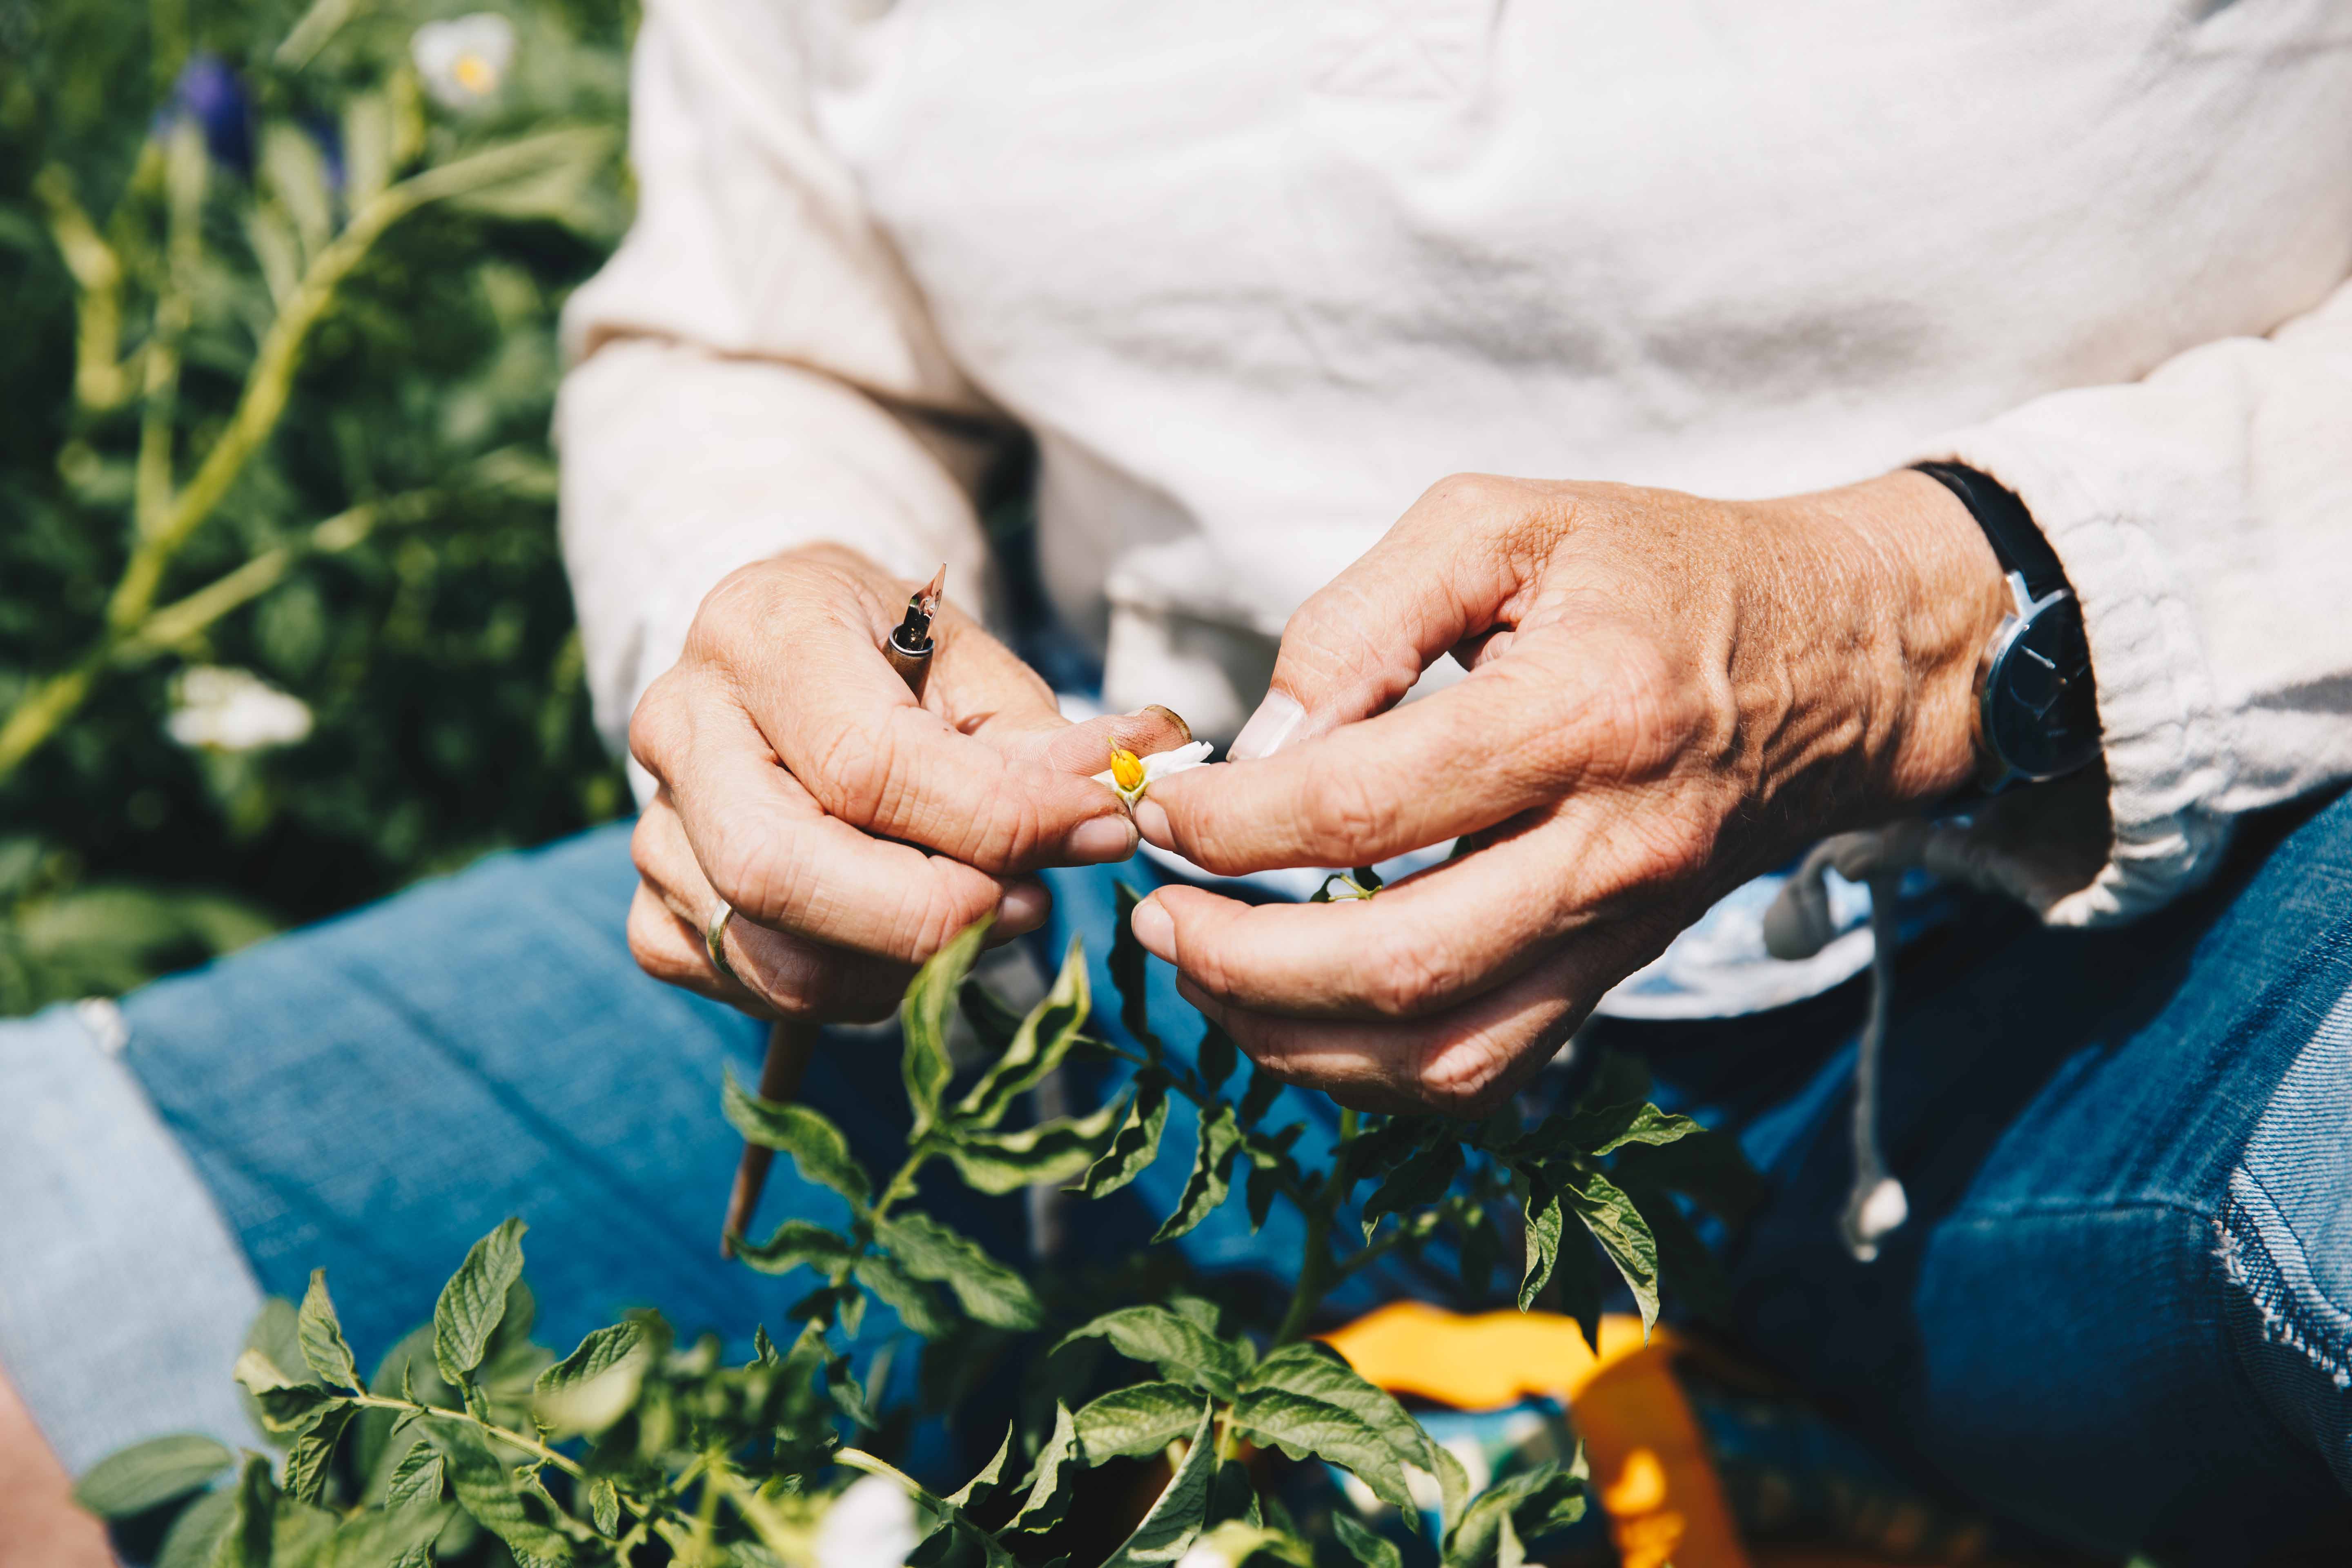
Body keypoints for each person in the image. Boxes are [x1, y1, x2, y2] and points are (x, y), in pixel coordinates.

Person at [6, 2, 2352, 1561]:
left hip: (2178, 925)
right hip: (1138, 960)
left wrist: (1934, 617)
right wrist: (787, 637)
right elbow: (760, 315)